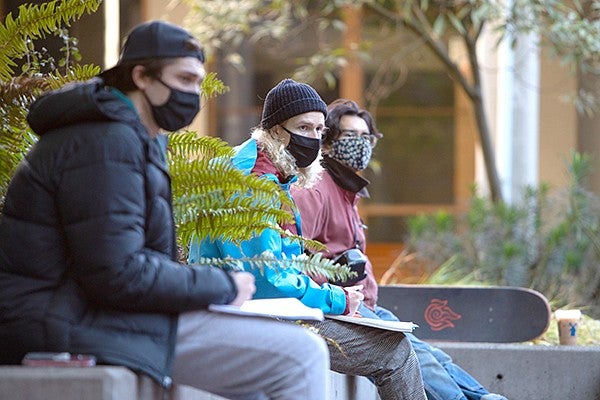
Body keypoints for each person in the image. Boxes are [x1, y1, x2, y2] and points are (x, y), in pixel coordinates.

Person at [0, 21, 331, 400]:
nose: (195, 94)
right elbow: (116, 273)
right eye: (185, 79)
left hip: (97, 313)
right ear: (141, 76)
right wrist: (221, 285)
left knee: (259, 372)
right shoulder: (104, 143)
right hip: (66, 322)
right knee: (300, 356)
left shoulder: (135, 136)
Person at [189, 78, 427, 400]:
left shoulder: (267, 172)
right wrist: (340, 299)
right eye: (303, 127)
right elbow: (270, 279)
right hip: (256, 316)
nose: (313, 139)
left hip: (259, 310)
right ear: (275, 130)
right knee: (394, 352)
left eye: (318, 130)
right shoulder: (253, 184)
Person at [291, 98, 509, 400]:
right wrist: (334, 288)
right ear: (327, 143)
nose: (361, 145)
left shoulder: (346, 191)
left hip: (363, 306)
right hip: (339, 308)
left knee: (433, 356)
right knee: (413, 354)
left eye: (366, 138)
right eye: (351, 136)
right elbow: (295, 258)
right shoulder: (316, 188)